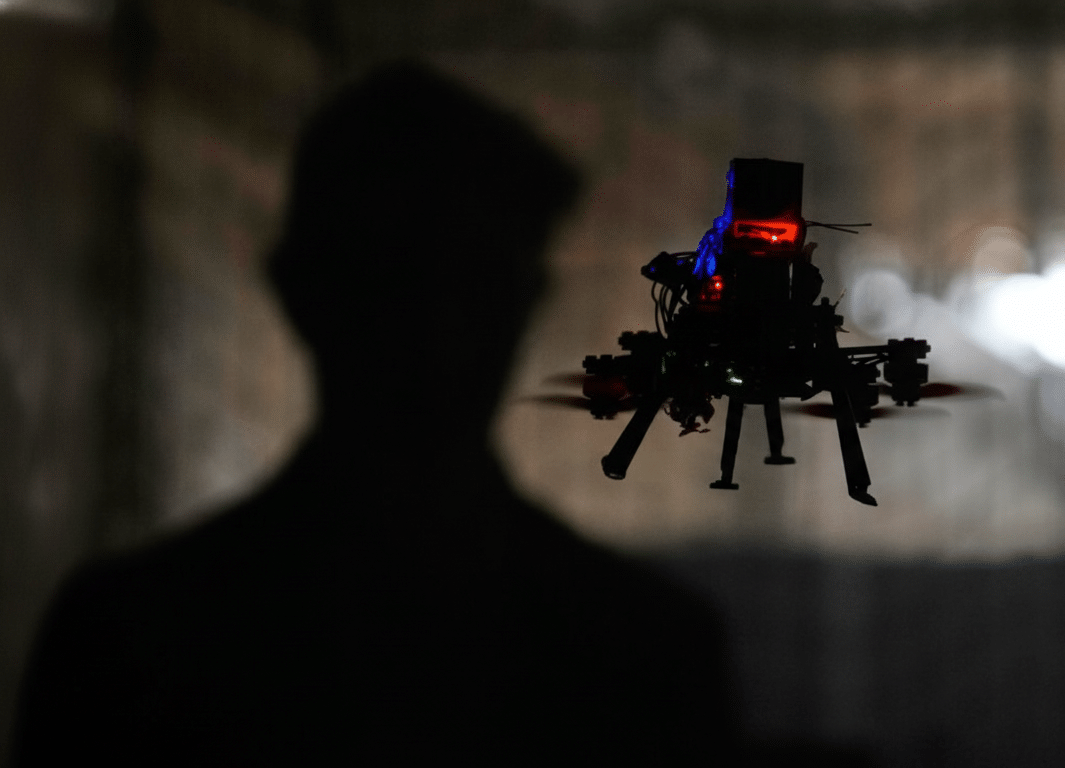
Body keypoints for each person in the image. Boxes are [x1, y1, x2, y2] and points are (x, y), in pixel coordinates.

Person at [12, 63, 737, 766]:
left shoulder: (137, 636)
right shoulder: (640, 646)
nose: (437, 337)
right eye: (395, 283)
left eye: (474, 287)